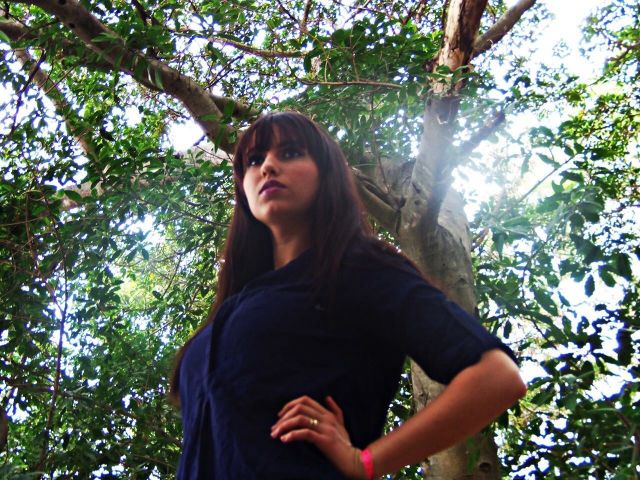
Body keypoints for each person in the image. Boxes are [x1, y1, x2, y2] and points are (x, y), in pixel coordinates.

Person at [169, 111, 527, 479]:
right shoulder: (235, 304)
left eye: (290, 153)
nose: (268, 167)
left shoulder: (361, 267)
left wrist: (366, 462)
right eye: (254, 160)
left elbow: (495, 376)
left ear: (327, 174)